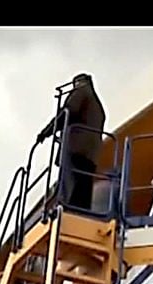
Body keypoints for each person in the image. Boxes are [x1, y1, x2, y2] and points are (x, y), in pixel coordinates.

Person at [37, 73, 106, 212]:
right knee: (83, 187)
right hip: (91, 154)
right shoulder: (99, 107)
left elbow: (67, 112)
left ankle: (67, 209)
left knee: (70, 184)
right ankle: (81, 212)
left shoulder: (81, 92)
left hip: (76, 148)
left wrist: (47, 131)